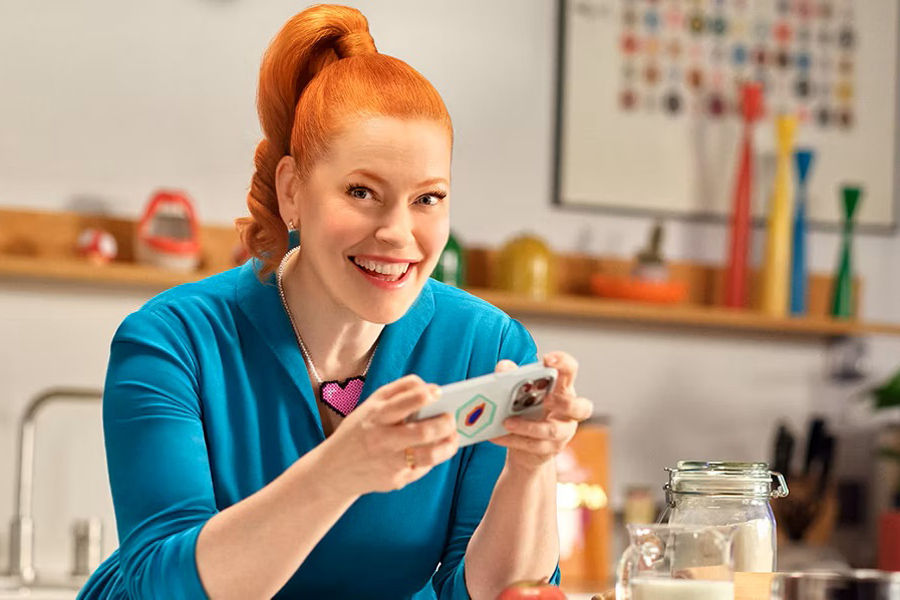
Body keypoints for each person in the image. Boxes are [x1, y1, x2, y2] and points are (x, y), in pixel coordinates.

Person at [77, 4, 593, 599]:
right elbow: (157, 588)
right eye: (362, 192)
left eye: (428, 198)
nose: (398, 233)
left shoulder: (489, 347)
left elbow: (498, 594)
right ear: (293, 191)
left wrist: (530, 468)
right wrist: (337, 472)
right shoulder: (174, 341)